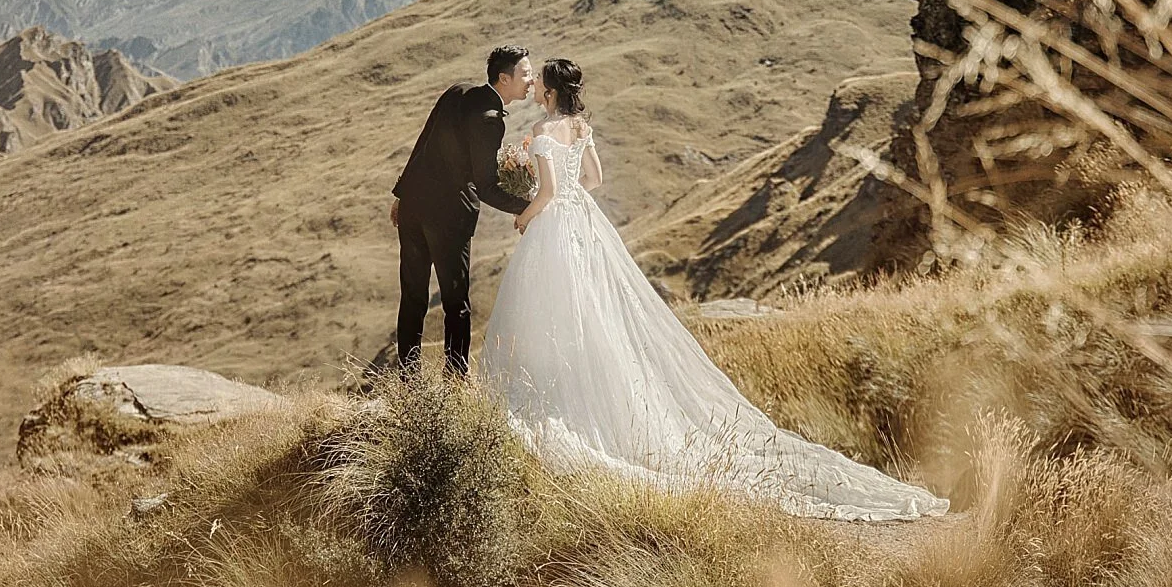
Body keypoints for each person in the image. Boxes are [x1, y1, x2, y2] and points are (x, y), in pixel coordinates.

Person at [481, 57, 950, 523]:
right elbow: (593, 180)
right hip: (583, 221)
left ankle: (561, 395)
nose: (535, 82)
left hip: (554, 227)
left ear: (548, 90)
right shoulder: (580, 128)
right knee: (598, 313)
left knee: (556, 315)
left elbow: (543, 195)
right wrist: (571, 194)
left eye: (539, 79)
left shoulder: (543, 132)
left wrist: (524, 217)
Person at [391, 45, 535, 377]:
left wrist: (401, 194)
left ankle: (408, 376)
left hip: (414, 207)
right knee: (457, 303)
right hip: (448, 218)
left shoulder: (457, 91)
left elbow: (423, 141)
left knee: (412, 295)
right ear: (504, 78)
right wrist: (528, 208)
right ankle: (456, 377)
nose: (530, 81)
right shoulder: (490, 120)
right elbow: (485, 187)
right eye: (525, 74)